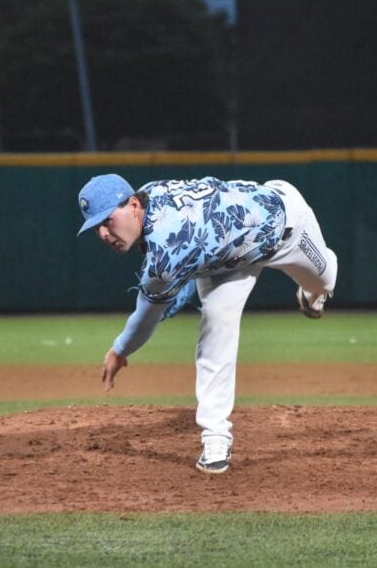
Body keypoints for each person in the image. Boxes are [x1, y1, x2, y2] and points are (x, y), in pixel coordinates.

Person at [76, 174, 338, 474]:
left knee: (325, 279)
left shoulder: (165, 251)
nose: (103, 233)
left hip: (284, 226)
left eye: (107, 220)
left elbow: (148, 313)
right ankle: (216, 437)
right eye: (96, 226)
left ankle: (314, 292)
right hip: (228, 263)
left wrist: (120, 349)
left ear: (134, 205)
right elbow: (191, 256)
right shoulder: (149, 197)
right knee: (216, 324)